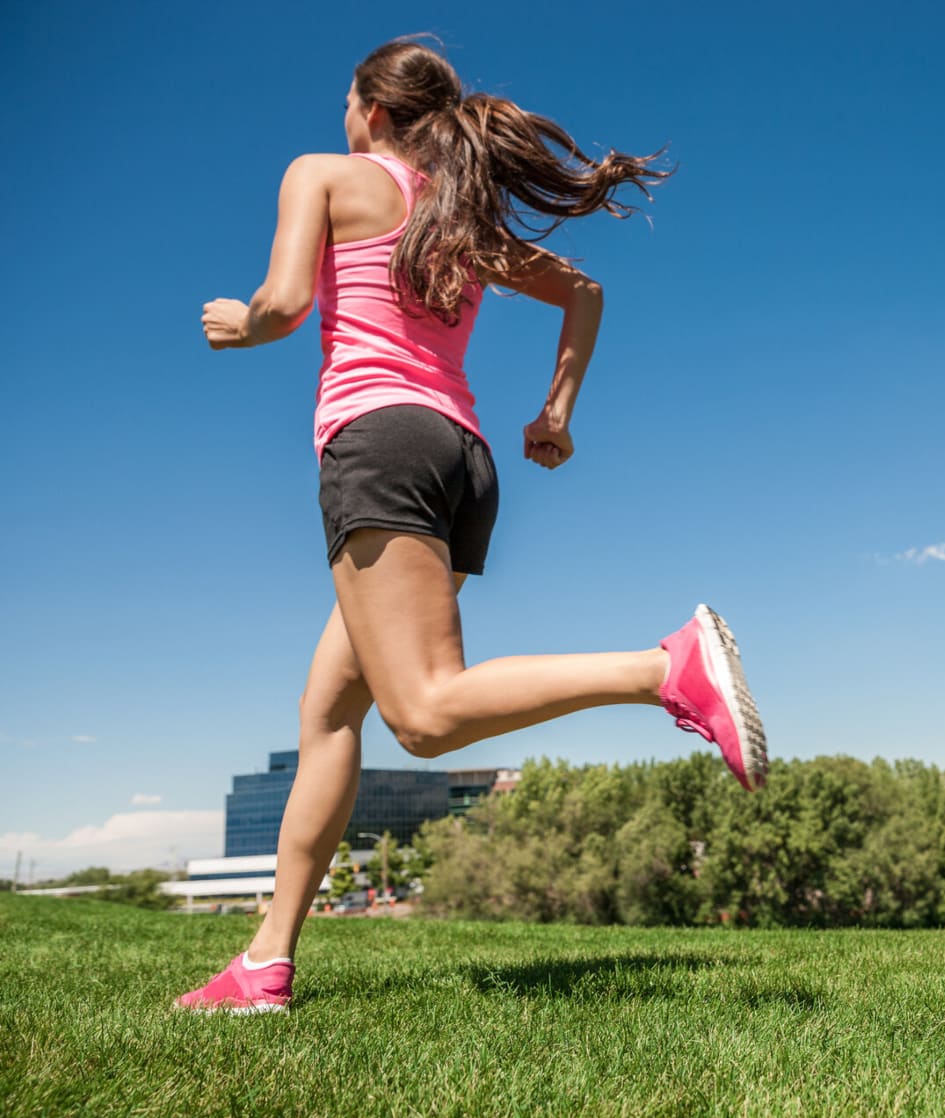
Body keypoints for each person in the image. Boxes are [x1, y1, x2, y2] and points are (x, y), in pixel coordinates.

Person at [175, 36, 766, 1014]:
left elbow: (285, 305)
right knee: (328, 712)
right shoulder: (459, 216)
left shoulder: (324, 175)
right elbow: (584, 291)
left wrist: (240, 323)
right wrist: (556, 414)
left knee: (424, 714)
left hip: (381, 449)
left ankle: (666, 670)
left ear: (370, 109)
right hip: (461, 458)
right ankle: (265, 963)